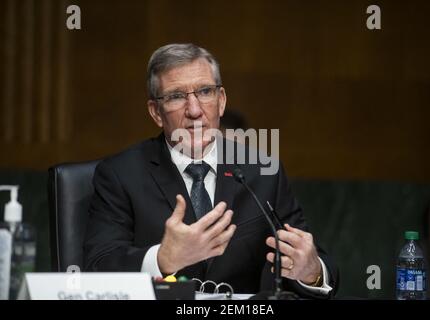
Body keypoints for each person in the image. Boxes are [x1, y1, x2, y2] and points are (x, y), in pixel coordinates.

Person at [83, 43, 338, 299]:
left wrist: (312, 271)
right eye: (176, 96)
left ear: (221, 101)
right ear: (156, 113)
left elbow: (310, 259)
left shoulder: (263, 172)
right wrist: (163, 259)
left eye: (205, 91)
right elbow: (98, 268)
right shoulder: (120, 174)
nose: (194, 111)